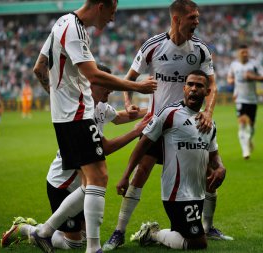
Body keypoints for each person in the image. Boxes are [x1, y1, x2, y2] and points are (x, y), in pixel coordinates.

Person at [103, 1, 232, 250]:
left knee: (207, 173)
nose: (197, 22)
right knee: (140, 173)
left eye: (198, 17)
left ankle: (208, 226)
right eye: (192, 17)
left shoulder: (201, 49)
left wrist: (208, 111)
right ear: (177, 19)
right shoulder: (153, 46)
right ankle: (118, 232)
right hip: (159, 124)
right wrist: (129, 102)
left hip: (191, 123)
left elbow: (212, 85)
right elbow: (129, 80)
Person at [31, 0, 157, 252]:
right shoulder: (75, 29)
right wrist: (137, 86)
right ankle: (93, 247)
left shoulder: (61, 23)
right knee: (99, 177)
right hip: (77, 115)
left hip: (67, 115)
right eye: (112, 11)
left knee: (92, 182)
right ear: (102, 5)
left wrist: (58, 99)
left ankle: (44, 232)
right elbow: (94, 75)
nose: (112, 18)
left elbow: (39, 67)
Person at [1, 64, 151, 251]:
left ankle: (45, 230)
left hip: (83, 185)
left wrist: (152, 111)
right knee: (73, 242)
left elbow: (119, 117)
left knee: (84, 234)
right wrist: (136, 131)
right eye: (106, 84)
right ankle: (27, 229)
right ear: (91, 84)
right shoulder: (80, 113)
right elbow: (104, 148)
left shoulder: (101, 107)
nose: (111, 89)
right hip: (62, 185)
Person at [125, 70, 226, 250]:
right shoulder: (170, 114)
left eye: (199, 86)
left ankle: (161, 234)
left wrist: (220, 167)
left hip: (197, 193)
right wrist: (126, 175)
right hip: (176, 193)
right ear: (184, 88)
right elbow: (143, 144)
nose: (194, 89)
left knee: (185, 234)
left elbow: (213, 153)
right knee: (198, 243)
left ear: (207, 92)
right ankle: (152, 233)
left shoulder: (209, 123)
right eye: (190, 85)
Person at [227, 44, 263, 159]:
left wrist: (253, 77)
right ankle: (245, 151)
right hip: (240, 98)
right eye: (242, 52)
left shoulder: (254, 64)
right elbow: (229, 77)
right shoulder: (234, 65)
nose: (244, 54)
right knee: (242, 123)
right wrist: (231, 81)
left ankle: (249, 140)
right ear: (238, 54)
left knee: (252, 126)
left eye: (246, 52)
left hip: (252, 99)